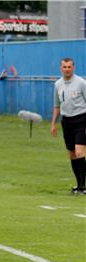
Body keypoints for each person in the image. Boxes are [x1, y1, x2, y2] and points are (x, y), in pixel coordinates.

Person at [50, 57, 86, 195]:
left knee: (79, 152)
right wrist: (53, 123)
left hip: (81, 119)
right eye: (64, 67)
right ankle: (79, 185)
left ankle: (83, 187)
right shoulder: (58, 84)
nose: (67, 69)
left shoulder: (81, 83)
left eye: (69, 67)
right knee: (72, 155)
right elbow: (57, 105)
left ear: (73, 68)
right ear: (61, 68)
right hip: (67, 121)